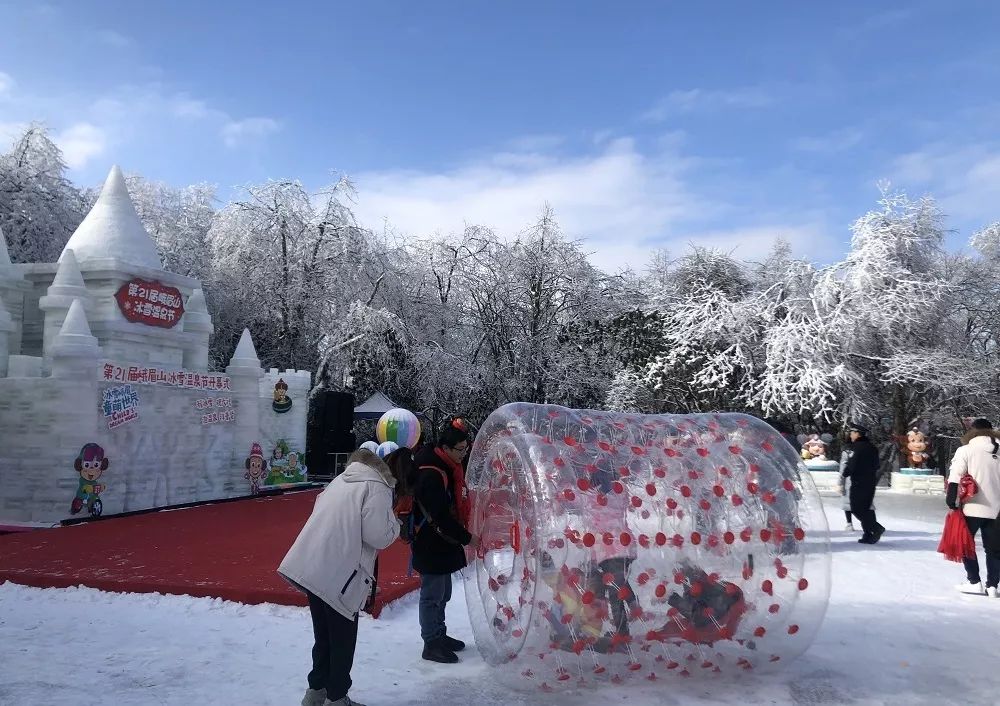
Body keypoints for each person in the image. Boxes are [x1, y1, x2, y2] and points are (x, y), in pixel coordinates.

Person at [278, 447, 403, 706]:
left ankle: (316, 692)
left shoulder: (340, 480)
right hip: (341, 575)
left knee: (323, 636)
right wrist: (397, 523)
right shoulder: (377, 487)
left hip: (314, 567)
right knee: (343, 642)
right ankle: (337, 698)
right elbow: (378, 535)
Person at [411, 417, 475, 663]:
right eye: (460, 450)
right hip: (431, 543)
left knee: (444, 593)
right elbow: (438, 516)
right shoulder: (431, 474)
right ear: (445, 449)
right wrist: (468, 538)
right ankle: (431, 642)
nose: (463, 454)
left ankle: (440, 634)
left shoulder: (448, 468)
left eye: (465, 449)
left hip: (442, 542)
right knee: (432, 595)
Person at [946, 418, 1000, 597]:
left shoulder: (966, 449)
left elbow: (955, 475)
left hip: (971, 506)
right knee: (994, 549)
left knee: (966, 544)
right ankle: (993, 586)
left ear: (973, 431)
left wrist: (951, 500)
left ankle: (974, 581)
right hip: (997, 509)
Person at [842, 423, 885, 544]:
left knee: (856, 508)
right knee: (867, 508)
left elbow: (852, 463)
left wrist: (846, 472)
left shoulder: (856, 447)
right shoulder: (872, 447)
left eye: (852, 433)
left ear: (857, 434)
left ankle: (876, 528)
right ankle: (868, 534)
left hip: (859, 482)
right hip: (870, 481)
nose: (850, 435)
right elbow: (877, 465)